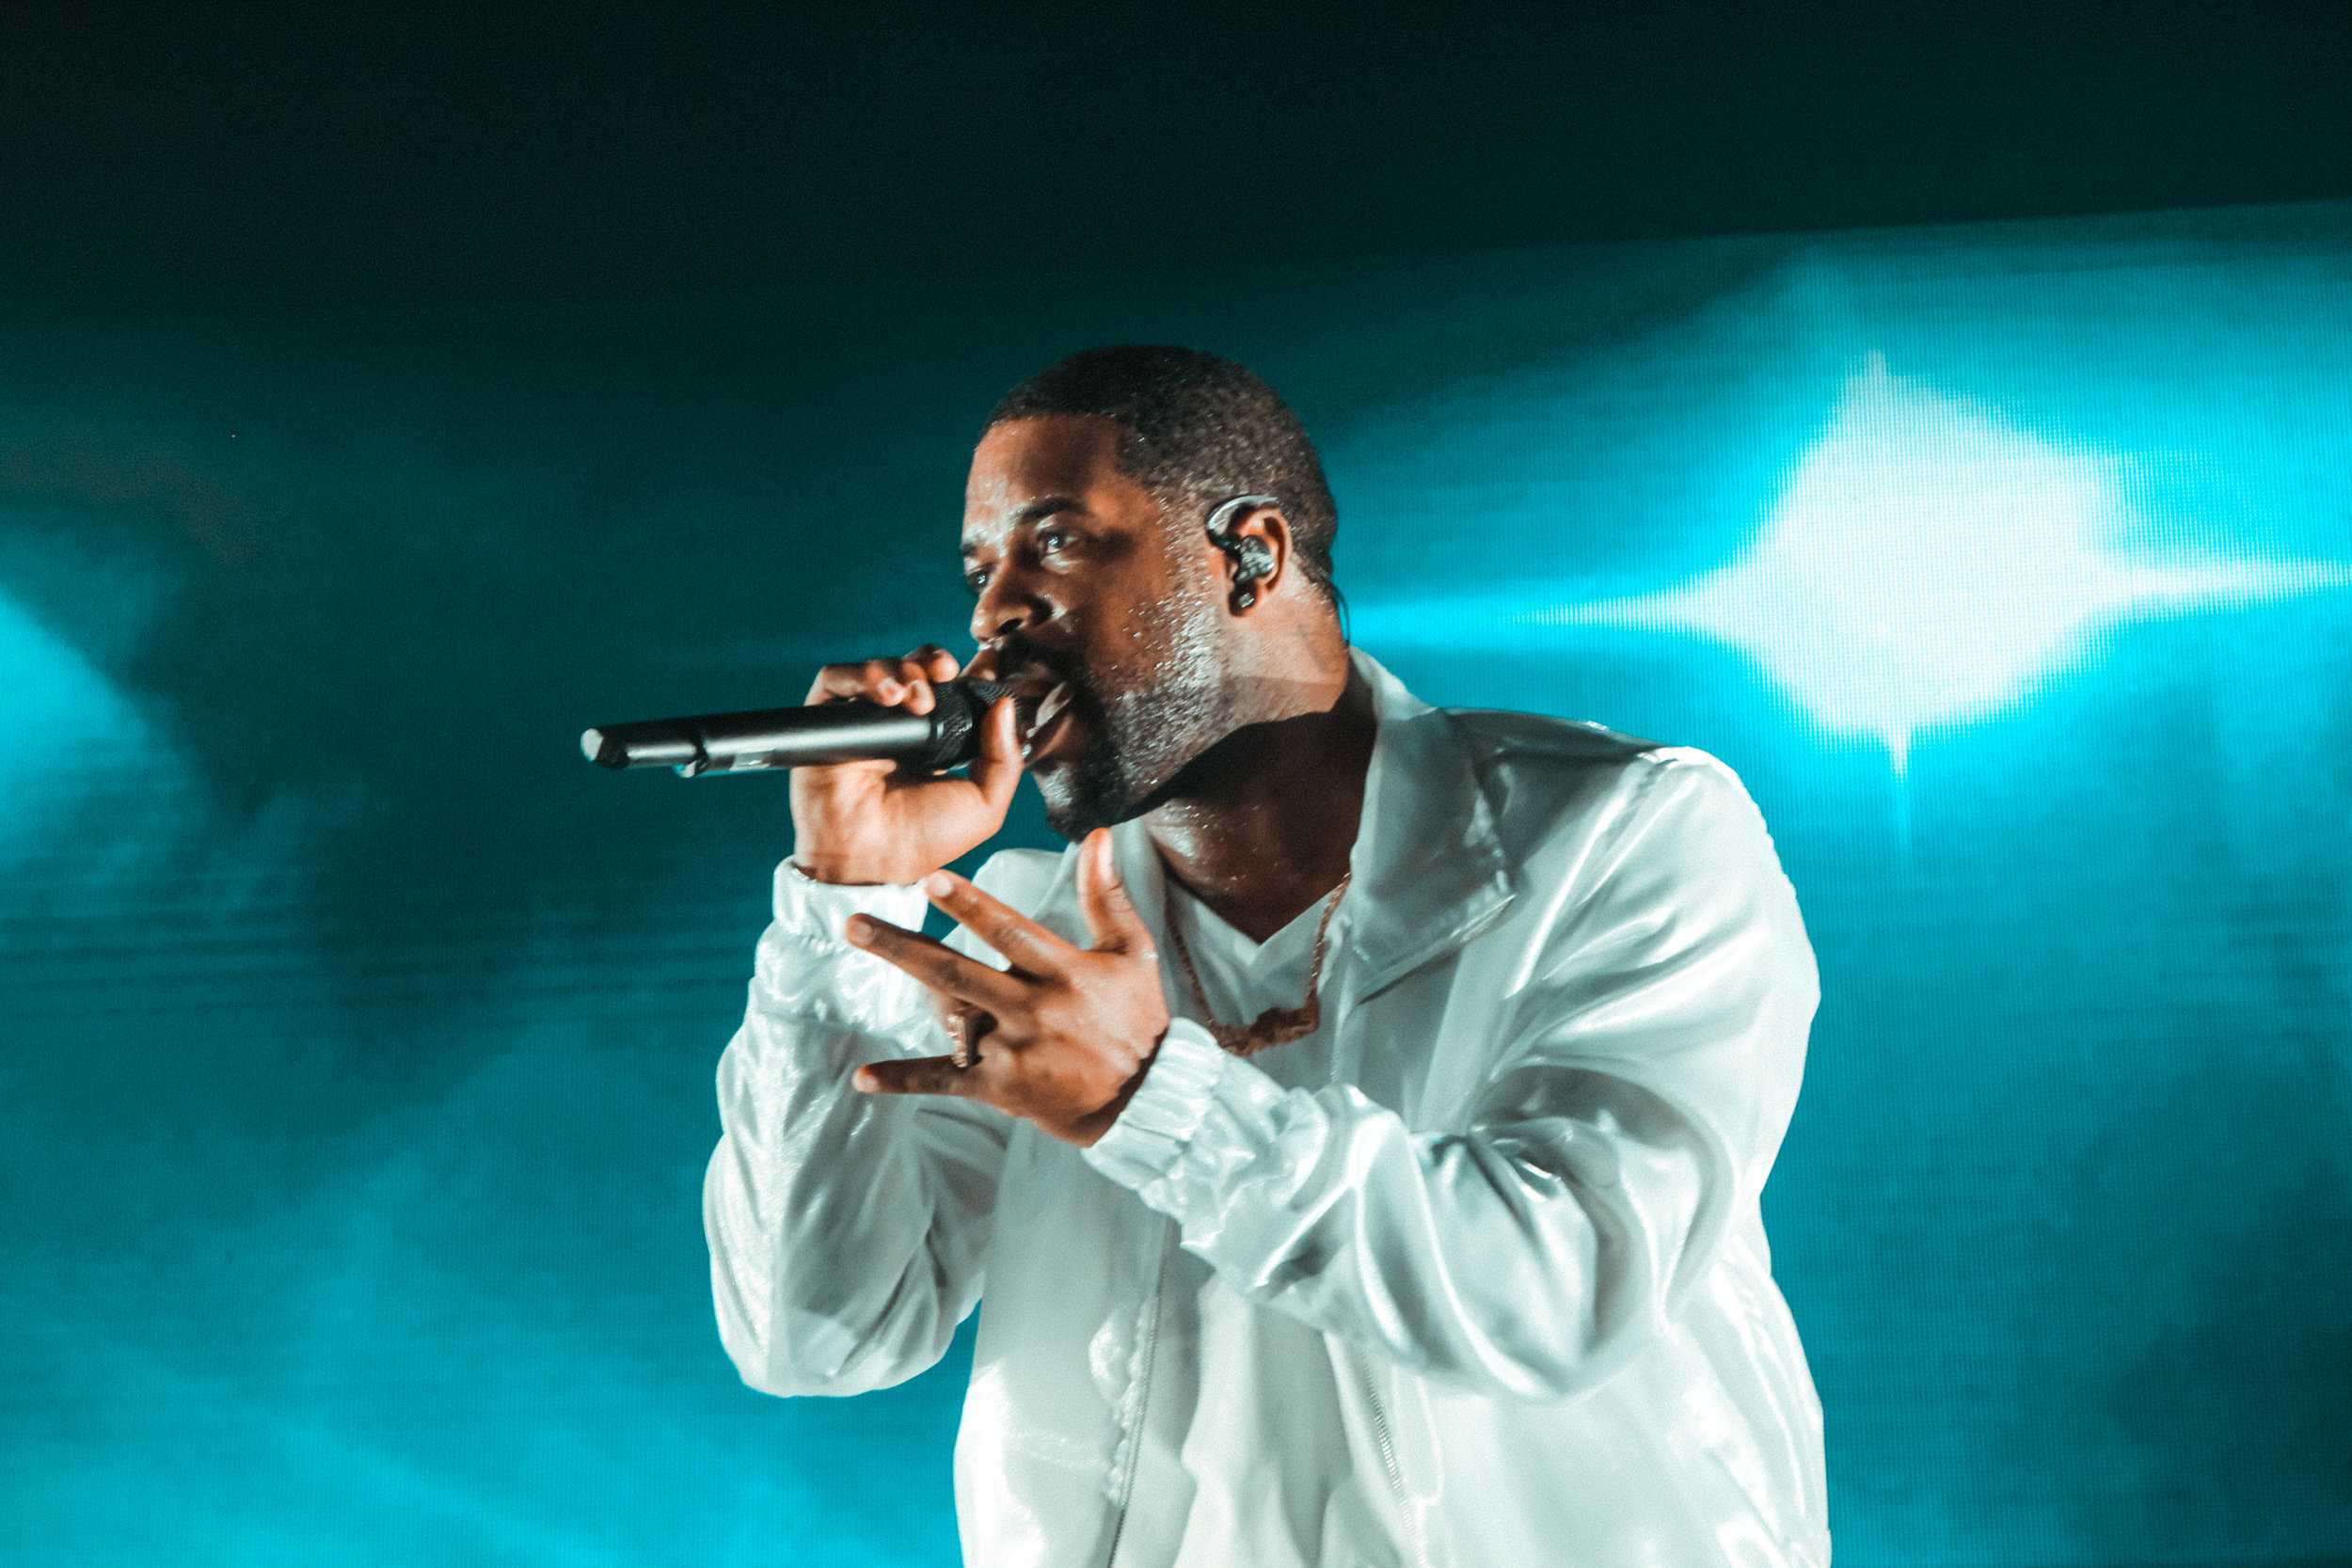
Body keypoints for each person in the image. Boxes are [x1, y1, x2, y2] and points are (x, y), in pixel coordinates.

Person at [703, 345, 1830, 1566]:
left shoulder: (1623, 835)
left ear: (1251, 554)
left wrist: (1147, 1101)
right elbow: (816, 1333)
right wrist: (845, 909)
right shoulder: (1031, 932)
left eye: (1058, 542)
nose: (992, 616)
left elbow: (1559, 1288)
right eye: (981, 569)